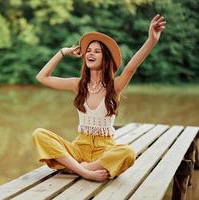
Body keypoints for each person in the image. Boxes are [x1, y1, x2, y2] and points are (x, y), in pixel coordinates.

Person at [32, 14, 166, 182]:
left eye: (97, 51)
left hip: (105, 150)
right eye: (88, 51)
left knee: (128, 153)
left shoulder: (115, 86)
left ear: (106, 58)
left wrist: (151, 40)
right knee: (40, 134)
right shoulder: (78, 84)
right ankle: (85, 171)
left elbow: (131, 67)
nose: (90, 53)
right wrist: (63, 52)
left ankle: (74, 168)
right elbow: (42, 77)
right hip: (79, 148)